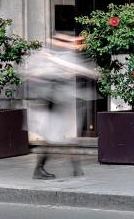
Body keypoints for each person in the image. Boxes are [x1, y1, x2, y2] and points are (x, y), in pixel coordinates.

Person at [23, 32, 97, 180]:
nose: (64, 44)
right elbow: (33, 74)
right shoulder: (44, 56)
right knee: (53, 137)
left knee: (64, 137)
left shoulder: (65, 55)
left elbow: (80, 69)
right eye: (61, 41)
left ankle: (76, 169)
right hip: (49, 105)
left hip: (63, 104)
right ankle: (41, 169)